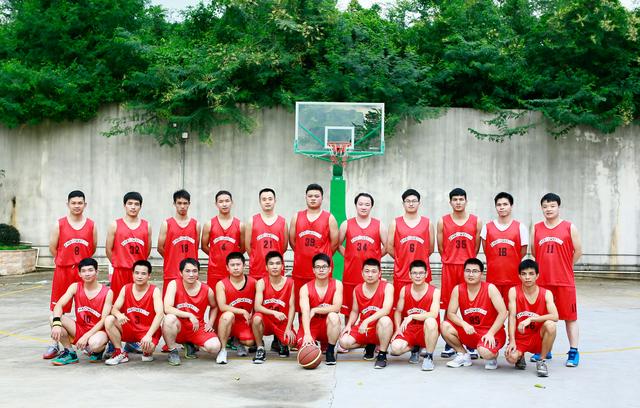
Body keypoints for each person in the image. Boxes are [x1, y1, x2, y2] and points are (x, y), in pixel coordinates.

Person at [44, 190, 97, 359]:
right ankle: (55, 343)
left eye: (80, 203)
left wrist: (81, 267)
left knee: (87, 308)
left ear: (85, 205)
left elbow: (92, 248)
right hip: (64, 270)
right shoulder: (59, 224)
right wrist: (64, 260)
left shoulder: (91, 225)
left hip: (83, 272)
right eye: (73, 203)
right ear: (68, 204)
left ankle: (87, 340)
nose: (77, 206)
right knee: (58, 309)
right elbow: (53, 248)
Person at [532, 193, 582, 367]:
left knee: (570, 317)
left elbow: (578, 251)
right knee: (543, 317)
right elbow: (535, 252)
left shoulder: (569, 227)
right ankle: (545, 349)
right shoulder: (536, 228)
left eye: (552, 206)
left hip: (564, 282)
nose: (549, 209)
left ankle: (573, 351)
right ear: (541, 208)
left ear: (558, 207)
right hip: (543, 282)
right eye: (545, 206)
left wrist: (566, 266)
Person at [437, 187, 481, 358]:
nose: (458, 202)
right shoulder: (443, 221)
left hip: (468, 268)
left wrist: (468, 263)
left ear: (466, 201)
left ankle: (471, 342)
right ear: (450, 202)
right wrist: (450, 259)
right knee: (449, 305)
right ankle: (450, 343)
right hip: (450, 267)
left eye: (461, 199)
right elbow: (441, 247)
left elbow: (475, 247)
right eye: (455, 199)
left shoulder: (476, 221)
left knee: (470, 305)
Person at [440, 258, 507, 370]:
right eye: (468, 271)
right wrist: (464, 324)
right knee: (444, 325)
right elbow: (451, 313)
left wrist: (491, 333)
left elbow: (503, 313)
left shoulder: (490, 288)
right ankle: (463, 355)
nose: (471, 274)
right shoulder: (458, 289)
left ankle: (492, 356)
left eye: (475, 271)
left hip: (491, 332)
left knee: (485, 353)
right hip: (471, 331)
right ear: (463, 272)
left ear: (481, 273)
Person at [48, 258, 112, 365]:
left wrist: (86, 337)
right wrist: (56, 324)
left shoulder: (107, 292)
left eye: (90, 270)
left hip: (98, 331)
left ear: (97, 272)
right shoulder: (75, 287)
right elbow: (59, 305)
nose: (87, 274)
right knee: (53, 318)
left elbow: (103, 320)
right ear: (79, 274)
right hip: (80, 328)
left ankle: (98, 351)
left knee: (95, 344)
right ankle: (70, 353)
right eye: (84, 271)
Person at [104, 260, 164, 365]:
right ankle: (120, 353)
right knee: (109, 319)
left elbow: (160, 314)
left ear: (149, 276)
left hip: (146, 330)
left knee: (148, 349)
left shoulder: (154, 291)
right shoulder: (126, 288)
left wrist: (149, 335)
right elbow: (114, 309)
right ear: (132, 274)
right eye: (137, 273)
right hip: (130, 327)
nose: (139, 276)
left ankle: (144, 350)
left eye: (143, 273)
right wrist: (118, 315)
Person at [505, 260, 558, 377]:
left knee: (551, 325)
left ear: (537, 275)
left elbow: (555, 316)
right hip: (521, 337)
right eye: (524, 274)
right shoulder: (513, 291)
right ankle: (520, 356)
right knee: (510, 358)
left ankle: (541, 361)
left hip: (537, 336)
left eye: (531, 274)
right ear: (519, 276)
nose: (527, 277)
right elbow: (512, 317)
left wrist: (531, 319)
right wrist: (512, 340)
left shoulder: (546, 293)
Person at [162, 258, 220, 366]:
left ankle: (190, 344)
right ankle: (172, 351)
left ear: (198, 273)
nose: (191, 274)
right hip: (178, 327)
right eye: (187, 271)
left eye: (194, 271)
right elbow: (167, 308)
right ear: (181, 273)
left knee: (215, 347)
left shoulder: (207, 289)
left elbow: (214, 306)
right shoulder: (174, 284)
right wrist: (189, 315)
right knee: (169, 319)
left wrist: (210, 323)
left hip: (196, 327)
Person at [290, 184, 339, 311]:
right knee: (301, 306)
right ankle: (304, 324)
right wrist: (302, 253)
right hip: (301, 269)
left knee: (323, 305)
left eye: (316, 196)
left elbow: (334, 243)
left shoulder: (329, 218)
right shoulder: (297, 217)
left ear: (322, 198)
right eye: (310, 196)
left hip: (321, 270)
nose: (313, 198)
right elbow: (292, 241)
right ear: (305, 197)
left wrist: (323, 256)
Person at [339, 258, 394, 369]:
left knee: (385, 320)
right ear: (362, 273)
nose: (370, 275)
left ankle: (382, 355)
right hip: (365, 329)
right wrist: (348, 325)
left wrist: (366, 321)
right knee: (344, 342)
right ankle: (369, 345)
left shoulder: (387, 287)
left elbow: (386, 310)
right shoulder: (357, 289)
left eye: (374, 271)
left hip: (380, 329)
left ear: (379, 273)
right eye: (367, 271)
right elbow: (355, 311)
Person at [338, 192, 386, 316]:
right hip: (351, 273)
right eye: (360, 204)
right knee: (349, 311)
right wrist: (348, 256)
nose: (363, 207)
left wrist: (376, 257)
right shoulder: (346, 224)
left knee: (372, 310)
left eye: (367, 204)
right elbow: (337, 244)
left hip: (372, 274)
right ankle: (348, 328)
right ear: (355, 205)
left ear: (371, 206)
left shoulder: (379, 225)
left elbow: (387, 246)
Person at [390, 260, 441, 371]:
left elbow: (433, 314)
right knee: (395, 348)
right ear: (410, 275)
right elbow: (398, 311)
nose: (418, 276)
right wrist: (398, 328)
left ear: (426, 274)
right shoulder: (405, 290)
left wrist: (412, 316)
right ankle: (415, 348)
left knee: (431, 321)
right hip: (410, 329)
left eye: (421, 273)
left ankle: (429, 357)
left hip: (426, 329)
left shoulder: (435, 291)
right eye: (414, 273)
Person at [387, 189, 434, 306]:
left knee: (422, 307)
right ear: (403, 203)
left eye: (414, 201)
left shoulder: (428, 223)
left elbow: (431, 248)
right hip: (402, 273)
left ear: (419, 203)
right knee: (400, 307)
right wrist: (400, 259)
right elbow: (389, 247)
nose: (411, 204)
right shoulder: (395, 223)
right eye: (408, 201)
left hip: (421, 273)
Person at [481, 192, 528, 302]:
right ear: (495, 207)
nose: (502, 207)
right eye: (499, 205)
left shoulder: (521, 227)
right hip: (493, 278)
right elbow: (486, 250)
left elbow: (523, 252)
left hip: (513, 278)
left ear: (511, 206)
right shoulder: (487, 227)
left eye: (505, 204)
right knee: (493, 309)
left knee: (513, 309)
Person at [297, 253, 343, 365]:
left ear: (330, 269)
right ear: (313, 270)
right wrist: (307, 334)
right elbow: (305, 312)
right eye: (318, 267)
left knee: (334, 316)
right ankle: (314, 343)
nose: (321, 270)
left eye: (324, 267)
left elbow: (337, 307)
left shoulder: (337, 284)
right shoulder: (305, 288)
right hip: (311, 324)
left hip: (326, 325)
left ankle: (330, 350)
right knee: (305, 350)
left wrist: (315, 310)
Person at [251, 251, 296, 363]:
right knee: (256, 319)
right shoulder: (261, 282)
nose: (275, 266)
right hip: (266, 320)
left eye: (277, 263)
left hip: (281, 321)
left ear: (282, 266)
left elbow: (292, 307)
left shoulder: (290, 283)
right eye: (271, 264)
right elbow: (257, 307)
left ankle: (281, 342)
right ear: (266, 267)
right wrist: (274, 313)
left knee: (292, 342)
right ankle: (260, 348)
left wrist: (288, 328)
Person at [105, 192, 152, 299]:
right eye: (130, 203)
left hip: (138, 272)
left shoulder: (147, 225)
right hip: (120, 271)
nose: (133, 207)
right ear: (124, 205)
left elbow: (147, 250)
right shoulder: (115, 225)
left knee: (137, 301)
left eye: (136, 204)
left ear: (140, 206)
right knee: (117, 302)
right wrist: (118, 263)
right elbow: (108, 250)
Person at [157, 189, 201, 296]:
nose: (182, 206)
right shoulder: (166, 224)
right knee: (169, 302)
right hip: (171, 272)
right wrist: (171, 258)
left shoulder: (196, 224)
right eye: (179, 203)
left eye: (185, 203)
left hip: (190, 274)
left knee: (189, 303)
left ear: (189, 204)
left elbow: (195, 247)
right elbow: (160, 247)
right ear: (174, 204)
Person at [215, 252, 256, 364]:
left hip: (242, 322)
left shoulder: (253, 282)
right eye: (232, 265)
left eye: (238, 264)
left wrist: (252, 316)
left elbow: (257, 304)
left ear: (244, 266)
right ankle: (223, 350)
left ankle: (237, 341)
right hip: (226, 321)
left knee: (250, 342)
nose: (236, 268)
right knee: (228, 315)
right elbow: (222, 306)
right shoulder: (221, 284)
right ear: (227, 268)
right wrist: (242, 311)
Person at [202, 190, 244, 288]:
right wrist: (215, 255)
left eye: (227, 201)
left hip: (233, 271)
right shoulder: (209, 224)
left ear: (232, 202)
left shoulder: (240, 225)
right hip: (214, 271)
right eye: (221, 201)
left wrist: (233, 258)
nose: (224, 204)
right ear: (216, 204)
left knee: (232, 296)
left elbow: (243, 247)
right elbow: (204, 246)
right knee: (214, 297)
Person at [245, 188, 288, 280]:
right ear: (260, 202)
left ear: (275, 201)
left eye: (270, 199)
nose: (267, 202)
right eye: (264, 199)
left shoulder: (283, 222)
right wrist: (256, 256)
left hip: (276, 270)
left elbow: (283, 247)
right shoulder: (252, 221)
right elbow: (248, 246)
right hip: (257, 269)